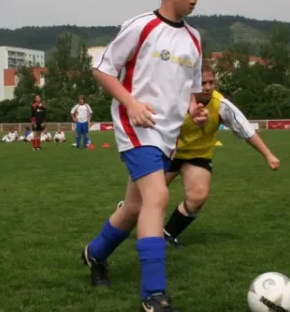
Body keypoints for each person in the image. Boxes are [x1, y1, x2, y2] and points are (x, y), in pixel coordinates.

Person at [80, 0, 207, 312]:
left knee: (135, 207)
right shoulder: (141, 25)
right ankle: (153, 295)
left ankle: (95, 254)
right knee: (159, 197)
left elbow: (189, 92)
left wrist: (193, 111)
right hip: (135, 126)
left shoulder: (195, 38)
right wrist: (130, 102)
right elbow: (102, 69)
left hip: (167, 135)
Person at [118, 65, 280, 248]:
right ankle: (126, 212)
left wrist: (268, 154)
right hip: (168, 152)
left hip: (198, 155)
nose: (208, 87)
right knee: (139, 203)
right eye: (203, 83)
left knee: (198, 196)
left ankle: (167, 235)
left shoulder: (221, 105)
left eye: (211, 82)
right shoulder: (175, 101)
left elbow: (246, 130)